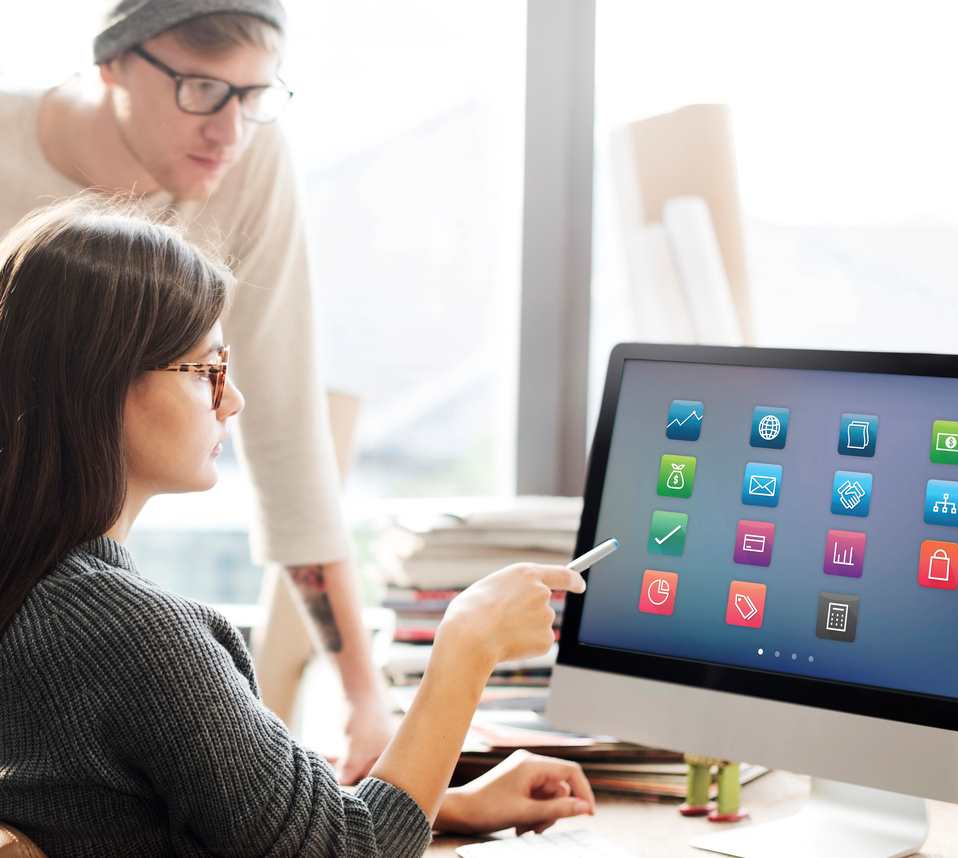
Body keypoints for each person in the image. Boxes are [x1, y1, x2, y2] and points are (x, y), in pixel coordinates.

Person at [0, 197, 595, 856]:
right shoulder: (132, 635)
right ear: (103, 385)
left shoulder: (37, 593)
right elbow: (349, 850)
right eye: (207, 371)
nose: (233, 401)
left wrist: (443, 805)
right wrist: (468, 645)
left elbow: (182, 813)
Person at [0, 0, 395, 782]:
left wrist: (363, 697)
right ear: (113, 63)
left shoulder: (249, 157)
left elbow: (284, 427)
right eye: (202, 89)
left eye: (255, 96)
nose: (230, 131)